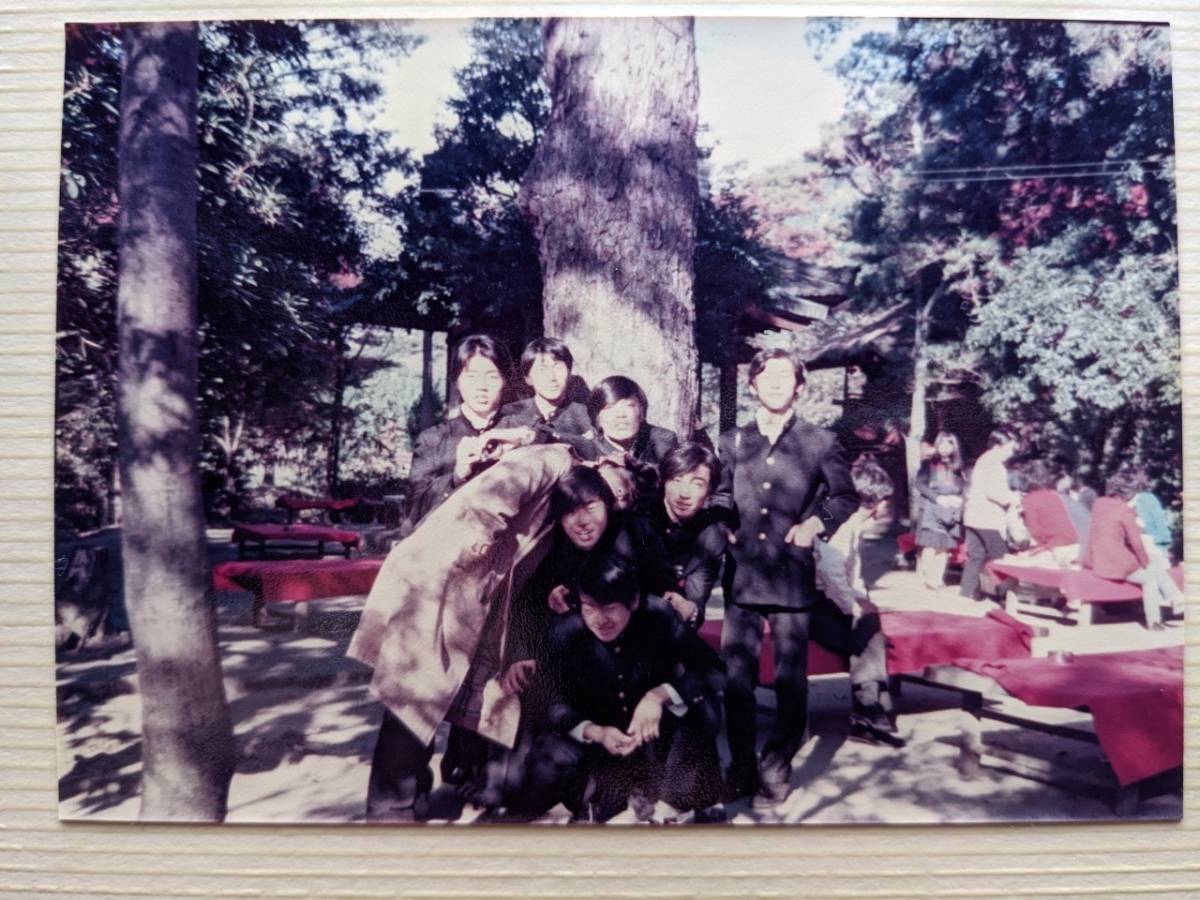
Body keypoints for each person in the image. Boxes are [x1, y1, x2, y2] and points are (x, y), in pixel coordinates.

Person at [349, 443, 574, 822]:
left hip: (474, 590)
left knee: (447, 697)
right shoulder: (555, 458)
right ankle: (391, 810)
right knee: (413, 694)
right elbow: (497, 495)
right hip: (443, 576)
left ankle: (421, 798)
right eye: (619, 484)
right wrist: (479, 539)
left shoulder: (568, 492)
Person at [714, 347, 860, 804]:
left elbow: (845, 497)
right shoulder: (733, 440)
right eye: (766, 375)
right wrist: (721, 521)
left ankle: (777, 765)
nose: (775, 383)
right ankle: (740, 766)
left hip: (791, 576)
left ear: (799, 386)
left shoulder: (820, 441)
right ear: (752, 384)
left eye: (785, 375)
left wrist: (816, 524)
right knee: (737, 679)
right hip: (742, 575)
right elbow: (719, 492)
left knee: (790, 681)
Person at [522, 554, 726, 822]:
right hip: (600, 744)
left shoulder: (658, 615)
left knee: (704, 708)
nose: (599, 619)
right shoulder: (564, 631)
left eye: (609, 607)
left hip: (652, 737)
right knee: (546, 761)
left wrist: (658, 696)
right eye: (589, 607)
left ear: (634, 601)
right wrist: (595, 732)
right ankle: (598, 800)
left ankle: (673, 804)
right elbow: (549, 700)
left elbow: (714, 670)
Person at [812, 460, 902, 744]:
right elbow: (830, 570)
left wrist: (860, 601)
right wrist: (851, 606)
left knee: (869, 622)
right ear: (876, 500)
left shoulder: (855, 524)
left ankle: (868, 705)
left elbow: (853, 577)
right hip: (814, 606)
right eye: (887, 499)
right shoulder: (845, 524)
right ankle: (869, 706)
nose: (889, 505)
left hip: (828, 601)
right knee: (867, 626)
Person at [406, 334, 529, 527]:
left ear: (505, 380)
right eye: (471, 376)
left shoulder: (520, 429)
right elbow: (414, 509)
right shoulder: (433, 439)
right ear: (456, 381)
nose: (482, 387)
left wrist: (520, 441)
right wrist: (456, 476)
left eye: (492, 376)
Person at [1081, 467, 1183, 630]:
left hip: (1096, 559)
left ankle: (1175, 598)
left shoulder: (1099, 504)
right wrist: (1145, 563)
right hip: (1115, 565)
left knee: (1151, 561)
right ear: (1130, 494)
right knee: (1150, 577)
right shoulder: (1125, 511)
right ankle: (1155, 621)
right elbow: (1136, 543)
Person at [648, 442, 730, 628]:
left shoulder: (711, 535)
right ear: (663, 482)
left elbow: (697, 597)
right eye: (677, 480)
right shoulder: (640, 517)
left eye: (697, 484)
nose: (684, 493)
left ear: (710, 492)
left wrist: (690, 611)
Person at [583, 375, 678, 505]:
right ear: (597, 418)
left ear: (641, 413)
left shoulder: (663, 441)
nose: (621, 415)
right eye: (610, 408)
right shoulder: (585, 449)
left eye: (629, 406)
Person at [497, 337, 593, 452]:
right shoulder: (510, 414)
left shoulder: (585, 415)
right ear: (528, 378)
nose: (551, 377)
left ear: (569, 373)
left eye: (558, 368)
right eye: (542, 370)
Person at [959, 428, 1021, 601]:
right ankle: (1008, 595)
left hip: (973, 516)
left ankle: (966, 592)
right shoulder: (994, 464)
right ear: (997, 446)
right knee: (1002, 557)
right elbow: (994, 493)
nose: (1010, 453)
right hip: (988, 518)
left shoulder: (983, 459)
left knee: (975, 557)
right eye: (1009, 449)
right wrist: (1014, 498)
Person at [913, 432, 965, 590]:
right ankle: (928, 578)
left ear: (954, 447)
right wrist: (937, 498)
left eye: (949, 444)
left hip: (950, 512)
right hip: (932, 510)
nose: (945, 447)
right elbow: (919, 484)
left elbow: (962, 488)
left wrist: (959, 499)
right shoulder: (928, 464)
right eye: (942, 443)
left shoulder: (957, 467)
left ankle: (936, 578)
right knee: (930, 546)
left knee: (944, 548)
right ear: (937, 444)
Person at [1017, 459, 1081, 565]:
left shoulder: (1028, 500)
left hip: (1057, 549)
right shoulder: (1056, 495)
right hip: (1077, 545)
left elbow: (1035, 531)